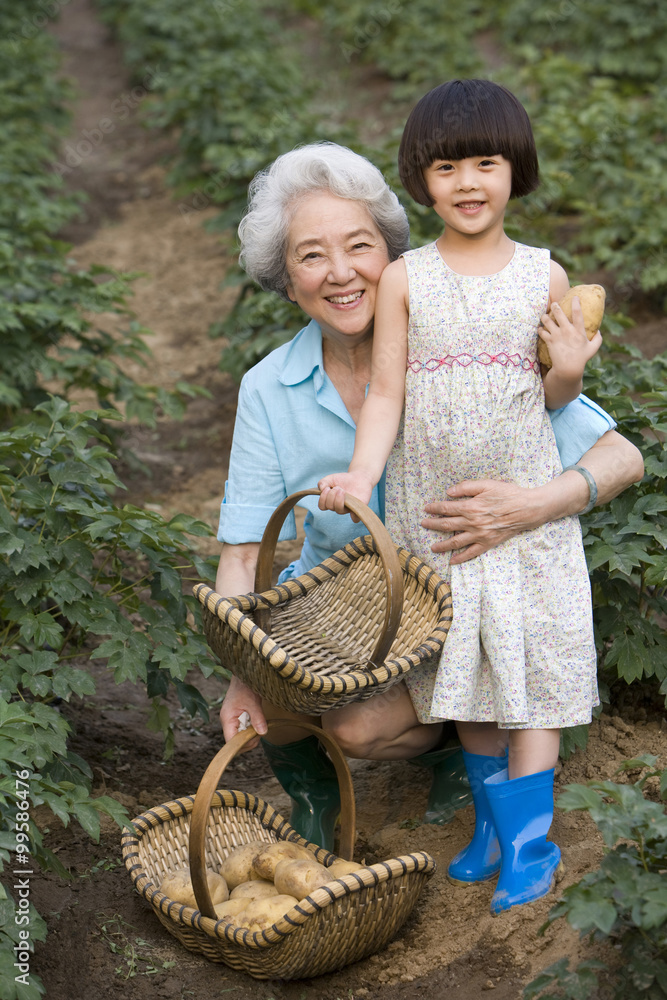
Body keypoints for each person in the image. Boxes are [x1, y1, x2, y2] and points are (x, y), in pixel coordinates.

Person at [217, 140, 644, 857]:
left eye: (359, 247)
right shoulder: (268, 387)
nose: (341, 272)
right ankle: (313, 796)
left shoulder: (455, 346)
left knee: (373, 716)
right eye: (311, 256)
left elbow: (620, 456)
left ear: (393, 260)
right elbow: (240, 551)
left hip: (455, 602)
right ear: (285, 282)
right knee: (282, 688)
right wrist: (241, 674)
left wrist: (529, 505)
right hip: (349, 614)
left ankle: (465, 753)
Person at [317, 81, 615, 913]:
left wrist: (567, 368)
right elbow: (384, 394)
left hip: (521, 512)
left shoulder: (542, 274)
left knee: (531, 666)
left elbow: (553, 400)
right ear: (420, 180)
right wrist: (358, 472)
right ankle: (490, 824)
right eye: (446, 167)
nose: (468, 182)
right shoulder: (406, 277)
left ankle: (530, 842)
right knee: (469, 667)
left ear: (514, 171)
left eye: (485, 163)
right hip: (435, 513)